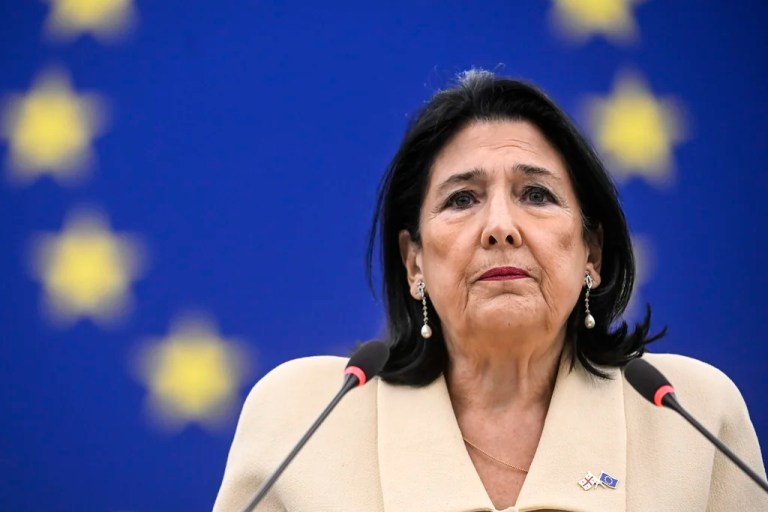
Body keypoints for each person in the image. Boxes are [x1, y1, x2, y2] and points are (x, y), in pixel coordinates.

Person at [213, 70, 766, 511]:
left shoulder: (690, 415)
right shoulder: (303, 418)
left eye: (536, 194)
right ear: (414, 262)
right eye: (462, 199)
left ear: (591, 252)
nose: (500, 225)